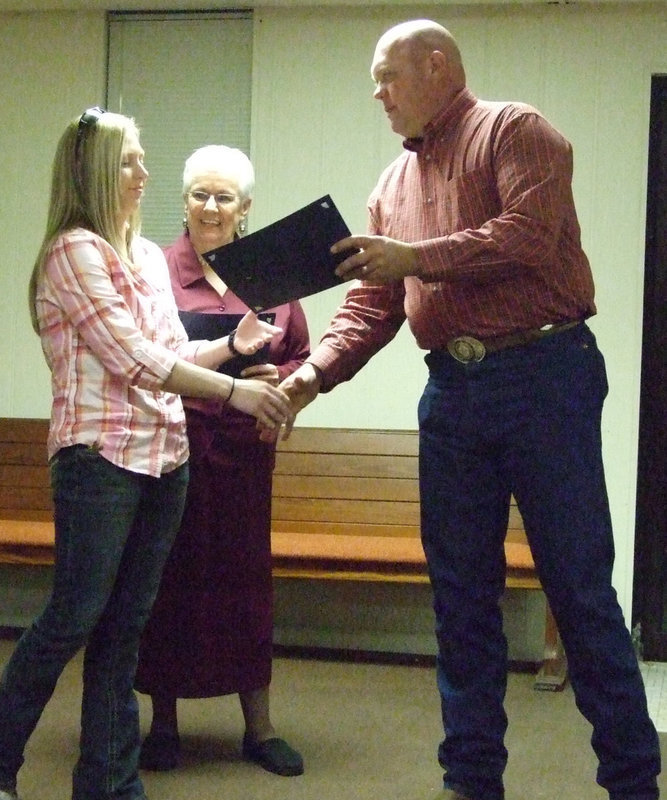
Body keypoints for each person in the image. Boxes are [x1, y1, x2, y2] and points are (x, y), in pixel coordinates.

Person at [276, 20, 661, 800]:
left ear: (436, 63)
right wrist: (307, 376)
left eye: (387, 77)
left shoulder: (516, 132)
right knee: (459, 600)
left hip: (544, 375)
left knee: (578, 591)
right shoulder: (389, 186)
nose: (377, 96)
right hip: (450, 394)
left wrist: (415, 257)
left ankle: (631, 783)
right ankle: (470, 782)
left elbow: (526, 236)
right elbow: (371, 307)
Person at [0, 109, 293, 800]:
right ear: (97, 169)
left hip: (165, 461)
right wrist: (235, 391)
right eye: (131, 160)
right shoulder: (74, 250)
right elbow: (131, 359)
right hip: (99, 462)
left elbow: (169, 354)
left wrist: (234, 344)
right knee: (72, 618)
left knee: (125, 629)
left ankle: (109, 782)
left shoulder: (141, 256)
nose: (145, 173)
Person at [134, 145, 308, 777]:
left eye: (224, 197)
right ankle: (164, 726)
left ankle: (258, 729)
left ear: (246, 209)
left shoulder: (270, 270)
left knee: (245, 586)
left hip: (243, 458)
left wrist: (281, 376)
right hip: (169, 452)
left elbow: (301, 355)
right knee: (167, 587)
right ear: (183, 201)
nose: (210, 207)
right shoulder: (154, 268)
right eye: (200, 195)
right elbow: (145, 355)